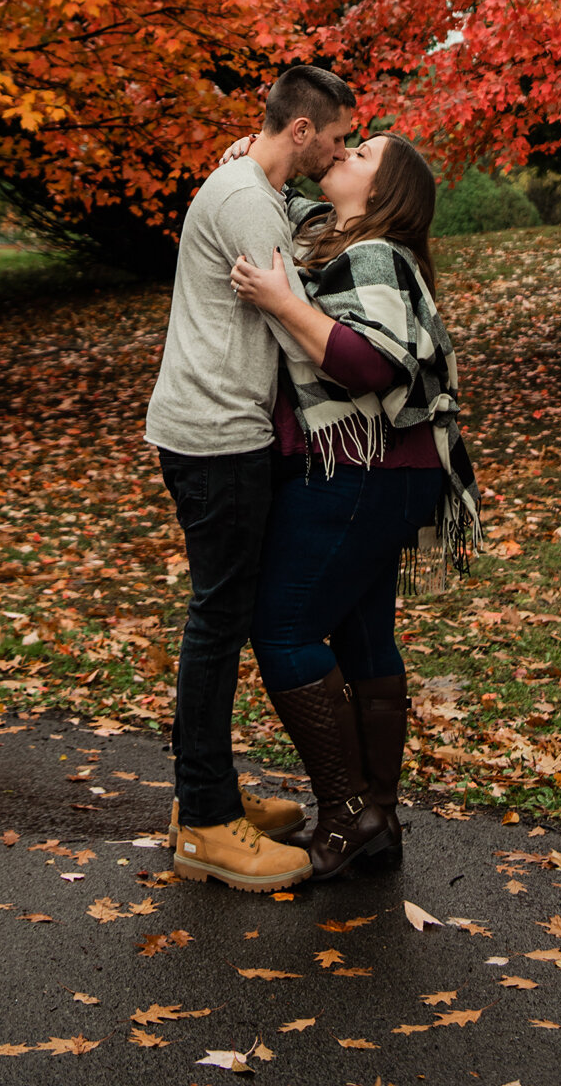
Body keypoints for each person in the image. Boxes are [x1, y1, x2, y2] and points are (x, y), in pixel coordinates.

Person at [229, 131, 482, 880]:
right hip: (390, 468)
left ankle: (346, 812)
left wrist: (280, 301)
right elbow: (288, 200)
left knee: (283, 631)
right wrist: (252, 158)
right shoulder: (334, 235)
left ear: (384, 193)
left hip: (361, 470)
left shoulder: (374, 255)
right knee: (364, 640)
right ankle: (376, 818)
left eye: (362, 155)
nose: (345, 156)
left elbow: (372, 361)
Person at [145, 63, 357, 892]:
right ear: (300, 130)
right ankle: (203, 822)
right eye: (336, 136)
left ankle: (207, 795)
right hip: (215, 438)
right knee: (216, 623)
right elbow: (295, 305)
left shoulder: (253, 189)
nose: (340, 150)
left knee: (221, 618)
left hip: (219, 431)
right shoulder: (242, 198)